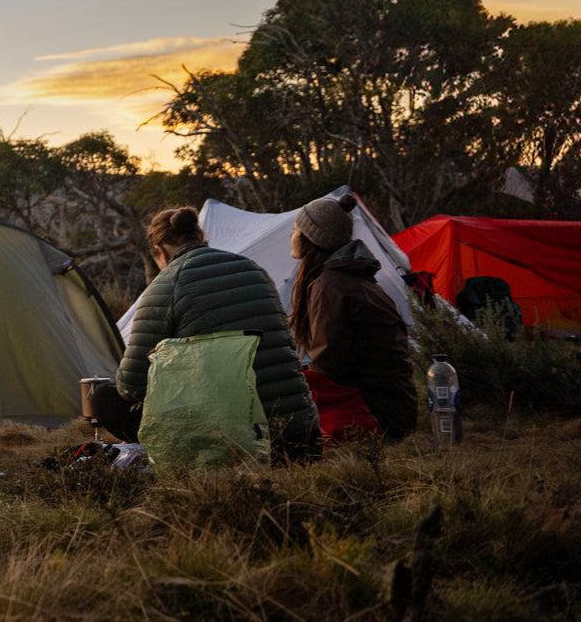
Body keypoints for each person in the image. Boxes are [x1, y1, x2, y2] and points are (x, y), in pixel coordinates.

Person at [91, 207, 320, 462]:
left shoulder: (166, 284)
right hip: (302, 437)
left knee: (104, 398)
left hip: (237, 445)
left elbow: (131, 386)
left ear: (161, 252)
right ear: (200, 238)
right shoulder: (253, 269)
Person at [290, 192, 417, 442]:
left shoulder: (331, 286)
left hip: (375, 415)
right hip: (395, 410)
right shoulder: (350, 279)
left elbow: (327, 365)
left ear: (311, 237)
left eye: (295, 230)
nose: (291, 236)